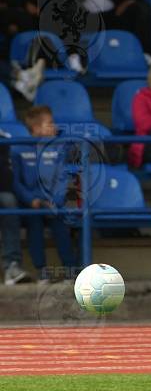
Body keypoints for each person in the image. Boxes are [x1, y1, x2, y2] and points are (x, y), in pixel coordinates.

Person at [13, 106, 78, 283]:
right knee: (34, 224)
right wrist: (31, 200)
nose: (54, 127)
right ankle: (42, 271)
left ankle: (70, 269)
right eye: (50, 123)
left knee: (61, 223)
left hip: (53, 203)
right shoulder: (18, 150)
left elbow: (62, 179)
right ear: (35, 129)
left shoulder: (58, 149)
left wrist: (54, 201)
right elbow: (16, 183)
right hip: (30, 205)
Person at [0, 127, 29, 284]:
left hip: (1, 191)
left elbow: (5, 177)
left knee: (9, 201)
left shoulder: (4, 138)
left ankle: (12, 267)